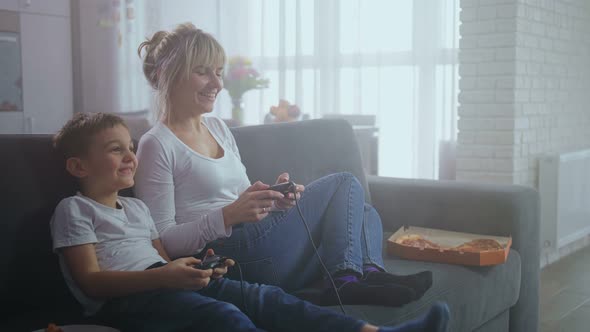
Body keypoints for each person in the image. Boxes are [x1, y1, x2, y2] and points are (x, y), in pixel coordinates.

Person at [49, 112, 450, 332]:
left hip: (168, 281)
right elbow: (91, 282)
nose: (130, 156)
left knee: (268, 299)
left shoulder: (135, 209)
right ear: (78, 165)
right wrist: (164, 277)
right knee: (228, 319)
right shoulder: (74, 210)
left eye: (129, 148)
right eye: (116, 150)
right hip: (129, 301)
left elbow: (161, 255)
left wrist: (198, 267)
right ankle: (349, 276)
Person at [134, 22, 432, 307]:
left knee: (363, 212)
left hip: (258, 240)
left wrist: (274, 202)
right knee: (344, 183)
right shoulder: (156, 144)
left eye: (219, 73)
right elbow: (163, 241)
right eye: (203, 73)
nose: (217, 83)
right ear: (168, 74)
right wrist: (225, 216)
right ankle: (345, 279)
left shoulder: (218, 129)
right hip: (226, 256)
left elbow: (241, 201)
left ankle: (370, 278)